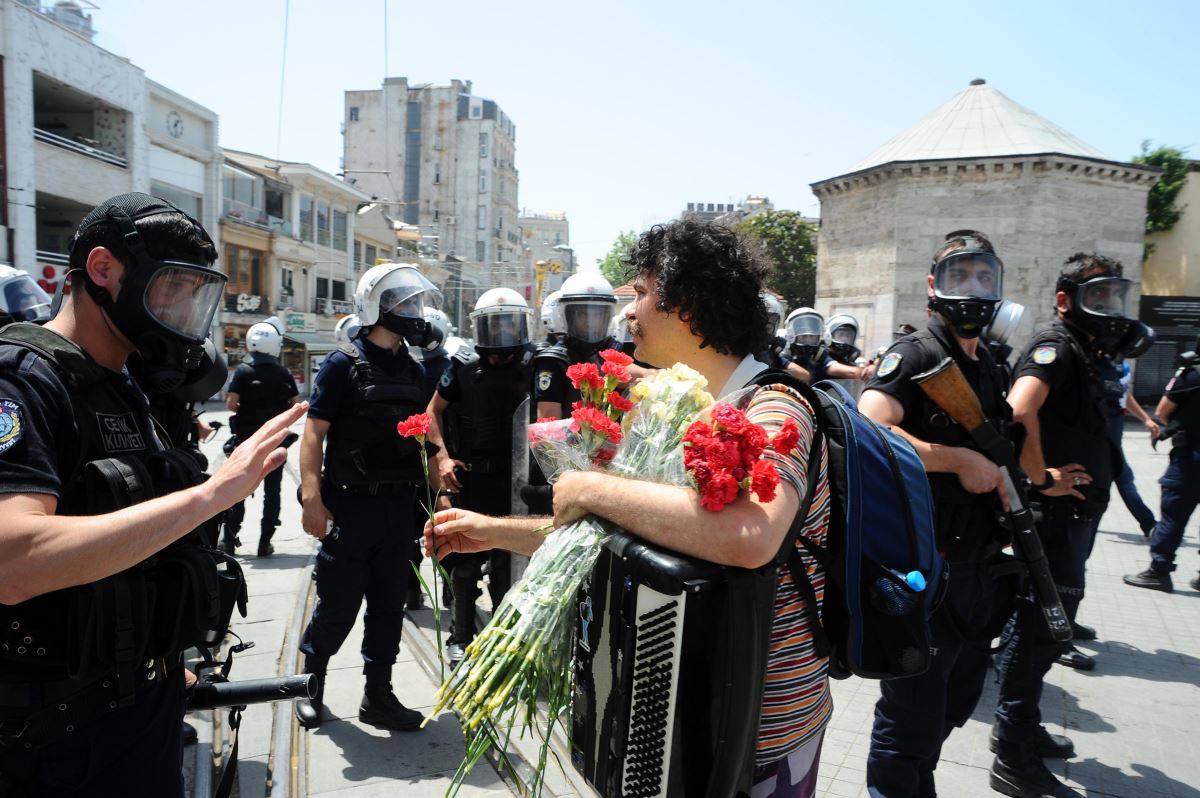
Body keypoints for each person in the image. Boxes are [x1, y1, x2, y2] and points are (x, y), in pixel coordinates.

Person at [427, 219, 833, 797]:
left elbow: (749, 536)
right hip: (678, 721)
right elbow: (620, 536)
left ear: (687, 306)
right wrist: (493, 531)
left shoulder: (775, 408)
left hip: (757, 737)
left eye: (640, 293)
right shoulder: (682, 407)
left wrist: (590, 487)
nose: (628, 313)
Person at [0, 192, 305, 795]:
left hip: (143, 708)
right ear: (104, 271)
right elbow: (15, 559)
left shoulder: (129, 386)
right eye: (173, 287)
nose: (186, 308)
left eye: (197, 292)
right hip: (57, 739)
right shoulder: (23, 379)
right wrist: (213, 494)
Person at [859, 230, 1074, 798]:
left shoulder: (990, 365)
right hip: (928, 567)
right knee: (911, 719)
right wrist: (953, 460)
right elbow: (867, 428)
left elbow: (1005, 441)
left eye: (985, 276)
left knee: (955, 702)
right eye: (960, 275)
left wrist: (1016, 480)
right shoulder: (919, 354)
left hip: (978, 569)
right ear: (934, 285)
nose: (974, 288)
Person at [993, 253, 1135, 796]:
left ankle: (1022, 725)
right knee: (1041, 630)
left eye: (1112, 296)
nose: (1107, 307)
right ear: (1064, 300)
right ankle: (1012, 749)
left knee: (1044, 628)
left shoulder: (1085, 349)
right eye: (1095, 296)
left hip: (1074, 517)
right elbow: (1017, 409)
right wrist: (1040, 478)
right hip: (1054, 517)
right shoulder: (1055, 346)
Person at [294, 263, 439, 733]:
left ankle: (378, 695)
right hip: (351, 508)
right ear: (375, 306)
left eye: (415, 303)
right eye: (404, 303)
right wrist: (312, 498)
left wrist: (439, 487)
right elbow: (313, 434)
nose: (414, 312)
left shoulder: (414, 371)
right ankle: (308, 683)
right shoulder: (342, 364)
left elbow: (424, 434)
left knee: (388, 607)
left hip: (399, 509)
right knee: (337, 606)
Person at [425, 287, 533, 665]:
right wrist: (442, 459)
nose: (502, 333)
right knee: (466, 566)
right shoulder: (463, 367)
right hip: (473, 478)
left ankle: (505, 640)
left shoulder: (535, 364)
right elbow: (431, 414)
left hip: (518, 482)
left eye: (509, 324)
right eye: (495, 325)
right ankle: (461, 636)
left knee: (509, 564)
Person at [525, 272, 619, 514]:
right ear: (567, 316)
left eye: (597, 314)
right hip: (567, 470)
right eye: (582, 314)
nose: (590, 322)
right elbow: (549, 425)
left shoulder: (613, 355)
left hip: (608, 467)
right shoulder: (553, 360)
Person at [1124, 340, 1200, 592]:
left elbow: (1163, 411)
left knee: (1173, 514)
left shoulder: (1193, 373)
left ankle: (1159, 570)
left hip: (1191, 459)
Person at [222, 317, 300, 556]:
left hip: (245, 443)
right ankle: (265, 542)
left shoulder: (243, 371)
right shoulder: (284, 373)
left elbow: (230, 404)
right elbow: (295, 405)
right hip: (274, 443)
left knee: (238, 490)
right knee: (272, 492)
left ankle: (229, 540)